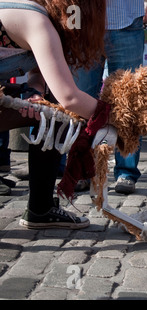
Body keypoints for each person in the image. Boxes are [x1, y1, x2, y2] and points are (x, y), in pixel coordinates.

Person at [0, 0, 107, 229]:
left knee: (52, 112)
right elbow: (70, 97)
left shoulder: (32, 13)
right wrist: (116, 118)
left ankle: (41, 209)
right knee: (60, 112)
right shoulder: (38, 21)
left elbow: (37, 76)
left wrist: (33, 93)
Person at [73, 0, 145, 195]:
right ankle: (81, 169)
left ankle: (126, 172)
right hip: (83, 23)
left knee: (127, 101)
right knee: (79, 100)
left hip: (126, 20)